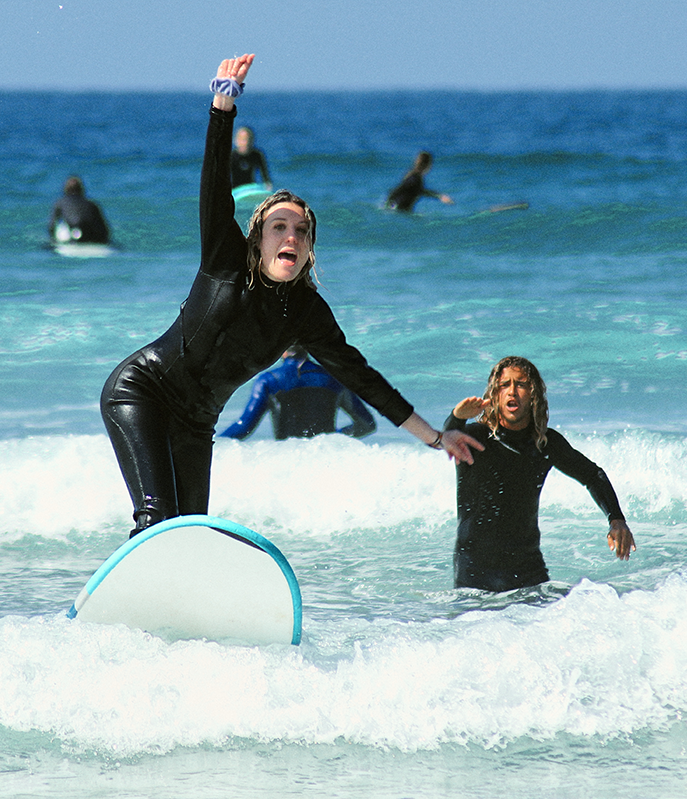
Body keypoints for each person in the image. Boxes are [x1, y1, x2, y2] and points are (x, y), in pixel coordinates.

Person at [100, 54, 481, 538]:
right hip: (143, 392)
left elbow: (361, 378)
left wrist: (434, 437)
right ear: (258, 238)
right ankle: (129, 602)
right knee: (156, 523)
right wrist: (223, 104)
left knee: (188, 534)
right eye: (279, 227)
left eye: (302, 231)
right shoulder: (225, 260)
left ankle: (170, 614)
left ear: (309, 249)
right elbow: (214, 186)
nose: (292, 237)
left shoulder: (306, 313)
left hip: (197, 425)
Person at [443, 356, 636, 592]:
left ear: (533, 395)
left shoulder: (545, 443)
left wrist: (616, 519)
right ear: (495, 394)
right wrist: (457, 416)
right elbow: (447, 439)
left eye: (521, 384)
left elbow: (591, 474)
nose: (512, 391)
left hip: (527, 571)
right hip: (475, 576)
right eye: (505, 385)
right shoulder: (474, 438)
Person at [219, 345, 376, 440]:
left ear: (282, 350)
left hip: (288, 462)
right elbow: (367, 424)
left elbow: (244, 428)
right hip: (324, 460)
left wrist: (216, 444)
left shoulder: (269, 380)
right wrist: (334, 438)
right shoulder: (334, 378)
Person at [48, 175, 111, 245]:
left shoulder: (60, 204)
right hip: (92, 236)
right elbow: (105, 229)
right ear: (82, 189)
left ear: (65, 189)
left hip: (74, 234)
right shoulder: (92, 204)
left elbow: (52, 226)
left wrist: (53, 241)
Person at [386, 152, 454, 212]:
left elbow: (417, 190)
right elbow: (419, 190)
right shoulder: (415, 178)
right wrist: (439, 196)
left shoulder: (413, 175)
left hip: (400, 209)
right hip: (400, 210)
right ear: (428, 165)